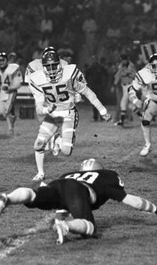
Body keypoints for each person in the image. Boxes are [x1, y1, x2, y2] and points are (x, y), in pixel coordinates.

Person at [0, 158, 157, 245]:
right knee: (90, 228)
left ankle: (7, 198)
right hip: (78, 191)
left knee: (34, 195)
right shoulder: (106, 177)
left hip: (59, 183)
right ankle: (67, 227)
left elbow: (63, 204)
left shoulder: (70, 173)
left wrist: (60, 217)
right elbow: (132, 201)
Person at [27, 48, 111, 182]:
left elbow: (88, 92)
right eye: (48, 66)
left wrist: (103, 111)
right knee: (38, 144)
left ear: (60, 64)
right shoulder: (38, 79)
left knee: (66, 151)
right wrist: (46, 110)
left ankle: (56, 140)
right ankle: (41, 173)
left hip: (68, 114)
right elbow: (38, 108)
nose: (52, 69)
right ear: (43, 67)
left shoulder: (69, 75)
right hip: (53, 115)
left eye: (54, 65)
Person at [0, 52, 23, 134]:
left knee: (7, 110)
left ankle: (10, 129)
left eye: (2, 60)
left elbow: (18, 83)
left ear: (6, 60)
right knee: (0, 112)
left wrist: (10, 88)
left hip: (12, 91)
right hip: (2, 92)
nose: (0, 62)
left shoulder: (14, 68)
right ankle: (12, 118)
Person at [113, 53, 136, 126]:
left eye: (124, 60)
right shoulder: (121, 65)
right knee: (129, 104)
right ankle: (141, 116)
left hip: (130, 85)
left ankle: (122, 120)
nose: (123, 61)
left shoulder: (131, 65)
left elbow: (135, 75)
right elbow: (118, 75)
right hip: (124, 86)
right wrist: (115, 83)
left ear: (127, 59)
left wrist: (128, 74)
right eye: (122, 60)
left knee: (124, 102)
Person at [85, 55, 109, 122]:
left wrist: (105, 83)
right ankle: (95, 116)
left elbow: (106, 74)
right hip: (93, 86)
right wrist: (88, 84)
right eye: (93, 59)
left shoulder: (100, 67)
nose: (94, 60)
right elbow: (86, 76)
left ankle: (102, 116)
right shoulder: (91, 68)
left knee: (101, 101)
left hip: (100, 86)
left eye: (95, 59)